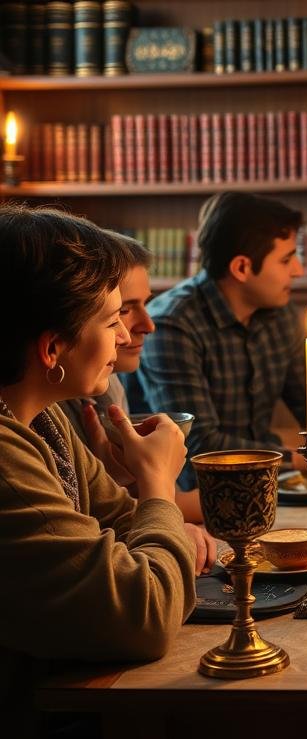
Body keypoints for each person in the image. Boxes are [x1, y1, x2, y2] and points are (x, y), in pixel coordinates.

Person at [0, 207, 196, 739]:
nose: (127, 334)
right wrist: (158, 482)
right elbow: (144, 613)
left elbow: (121, 520)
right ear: (52, 348)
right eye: (112, 320)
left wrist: (157, 526)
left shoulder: (43, 416)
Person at [132, 192, 307, 489]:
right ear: (241, 268)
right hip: (191, 496)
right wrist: (304, 458)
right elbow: (199, 443)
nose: (298, 270)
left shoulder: (279, 312)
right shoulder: (171, 325)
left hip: (264, 484)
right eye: (287, 259)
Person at [60, 232, 217, 574]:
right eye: (121, 312)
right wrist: (155, 481)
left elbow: (114, 514)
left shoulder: (106, 389)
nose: (143, 327)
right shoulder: (44, 413)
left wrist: (159, 516)